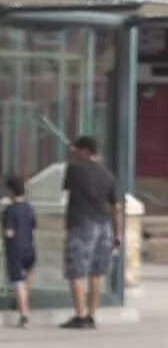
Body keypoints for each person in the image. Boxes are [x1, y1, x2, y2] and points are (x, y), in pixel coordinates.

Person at [60, 135, 122, 330]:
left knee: (76, 272)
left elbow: (66, 187)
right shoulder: (108, 175)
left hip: (81, 223)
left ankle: (79, 315)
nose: (74, 152)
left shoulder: (74, 169)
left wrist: (71, 157)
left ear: (86, 151)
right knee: (96, 273)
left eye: (77, 149)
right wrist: (117, 233)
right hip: (103, 225)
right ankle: (91, 315)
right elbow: (116, 206)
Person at [0, 174, 36, 328]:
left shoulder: (10, 210)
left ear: (10, 191)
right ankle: (23, 302)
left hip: (15, 249)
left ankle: (24, 315)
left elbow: (9, 232)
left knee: (18, 282)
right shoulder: (29, 208)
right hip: (30, 248)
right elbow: (33, 228)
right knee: (26, 278)